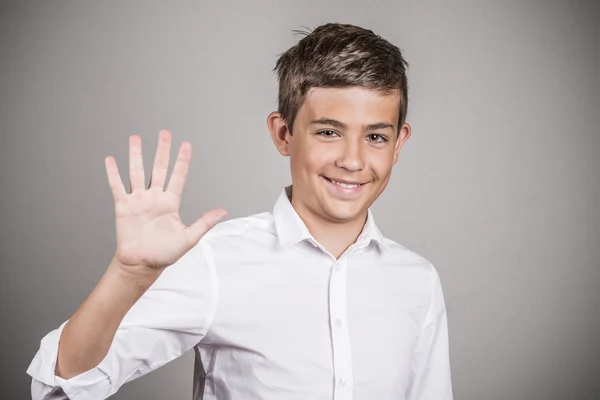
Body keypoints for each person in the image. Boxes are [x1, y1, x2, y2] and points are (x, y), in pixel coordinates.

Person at [27, 22, 453, 400]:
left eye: (376, 137)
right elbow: (61, 390)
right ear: (283, 134)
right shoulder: (215, 260)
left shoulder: (418, 282)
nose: (353, 160)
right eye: (328, 132)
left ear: (399, 143)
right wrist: (128, 275)